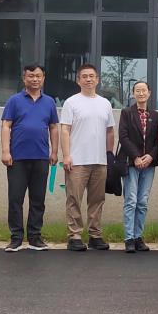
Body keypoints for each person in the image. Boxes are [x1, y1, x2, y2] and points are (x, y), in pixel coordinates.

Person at [0, 64, 59, 252]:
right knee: (15, 199)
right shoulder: (14, 101)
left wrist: (55, 151)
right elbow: (6, 126)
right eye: (31, 76)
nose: (35, 79)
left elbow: (53, 127)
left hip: (41, 157)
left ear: (43, 78)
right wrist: (5, 151)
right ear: (24, 78)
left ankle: (35, 237)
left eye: (38, 76)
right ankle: (16, 238)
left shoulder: (49, 102)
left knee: (38, 199)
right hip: (17, 158)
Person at [60, 63, 116, 252]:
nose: (88, 79)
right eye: (84, 76)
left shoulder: (105, 103)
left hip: (100, 161)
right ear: (78, 80)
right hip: (77, 160)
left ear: (97, 79)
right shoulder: (71, 102)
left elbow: (110, 131)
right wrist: (66, 155)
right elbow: (65, 130)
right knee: (74, 199)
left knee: (97, 200)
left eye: (92, 76)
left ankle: (95, 235)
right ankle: (74, 236)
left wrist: (109, 155)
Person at [118, 80, 158, 253]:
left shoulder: (156, 115)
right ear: (133, 93)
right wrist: (136, 156)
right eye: (138, 90)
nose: (141, 93)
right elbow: (123, 137)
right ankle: (129, 238)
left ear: (149, 93)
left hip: (149, 164)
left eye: (144, 90)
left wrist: (150, 156)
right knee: (131, 200)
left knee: (142, 201)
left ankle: (138, 237)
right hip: (131, 162)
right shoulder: (127, 113)